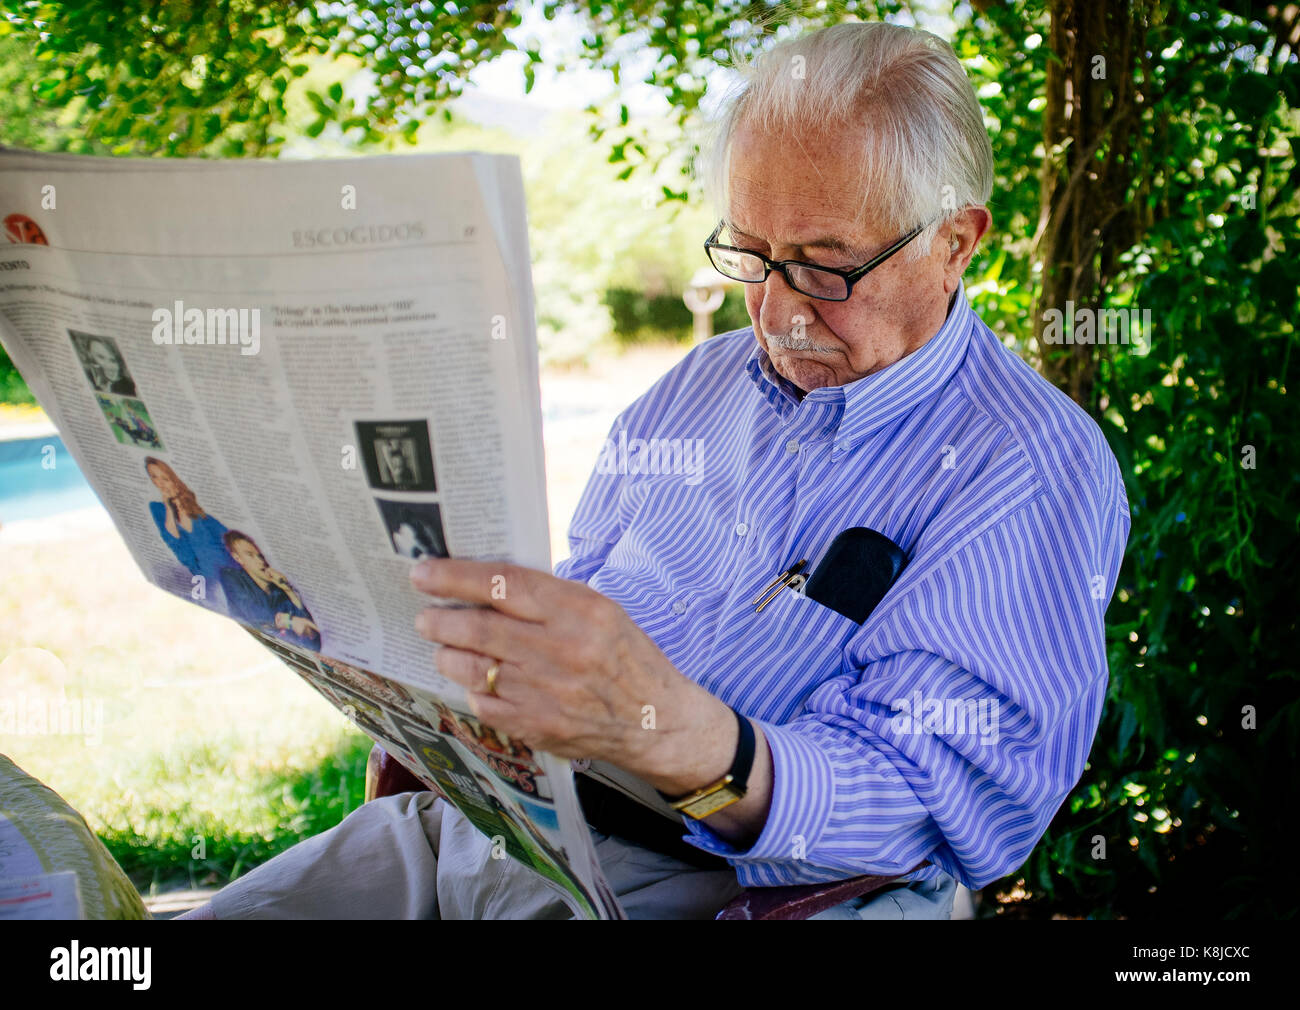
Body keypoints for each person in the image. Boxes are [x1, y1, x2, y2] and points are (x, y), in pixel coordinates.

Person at [186, 21, 1129, 921]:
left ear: (955, 241)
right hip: (493, 828)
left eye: (824, 267)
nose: (777, 314)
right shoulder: (694, 389)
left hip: (714, 892)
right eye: (751, 256)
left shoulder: (1029, 467)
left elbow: (938, 805)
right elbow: (584, 586)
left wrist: (681, 739)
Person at [145, 457, 231, 606]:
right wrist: (169, 506)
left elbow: (222, 542)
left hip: (223, 569)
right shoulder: (158, 508)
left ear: (174, 479)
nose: (159, 483)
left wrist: (180, 504)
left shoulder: (200, 514)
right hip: (204, 576)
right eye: (154, 476)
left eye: (165, 478)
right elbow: (174, 542)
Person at [219, 531, 321, 652]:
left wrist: (288, 590)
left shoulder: (277, 591)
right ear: (237, 558)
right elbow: (252, 612)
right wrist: (289, 621)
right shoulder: (231, 577)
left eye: (260, 556)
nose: (260, 561)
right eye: (250, 555)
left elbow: (312, 639)